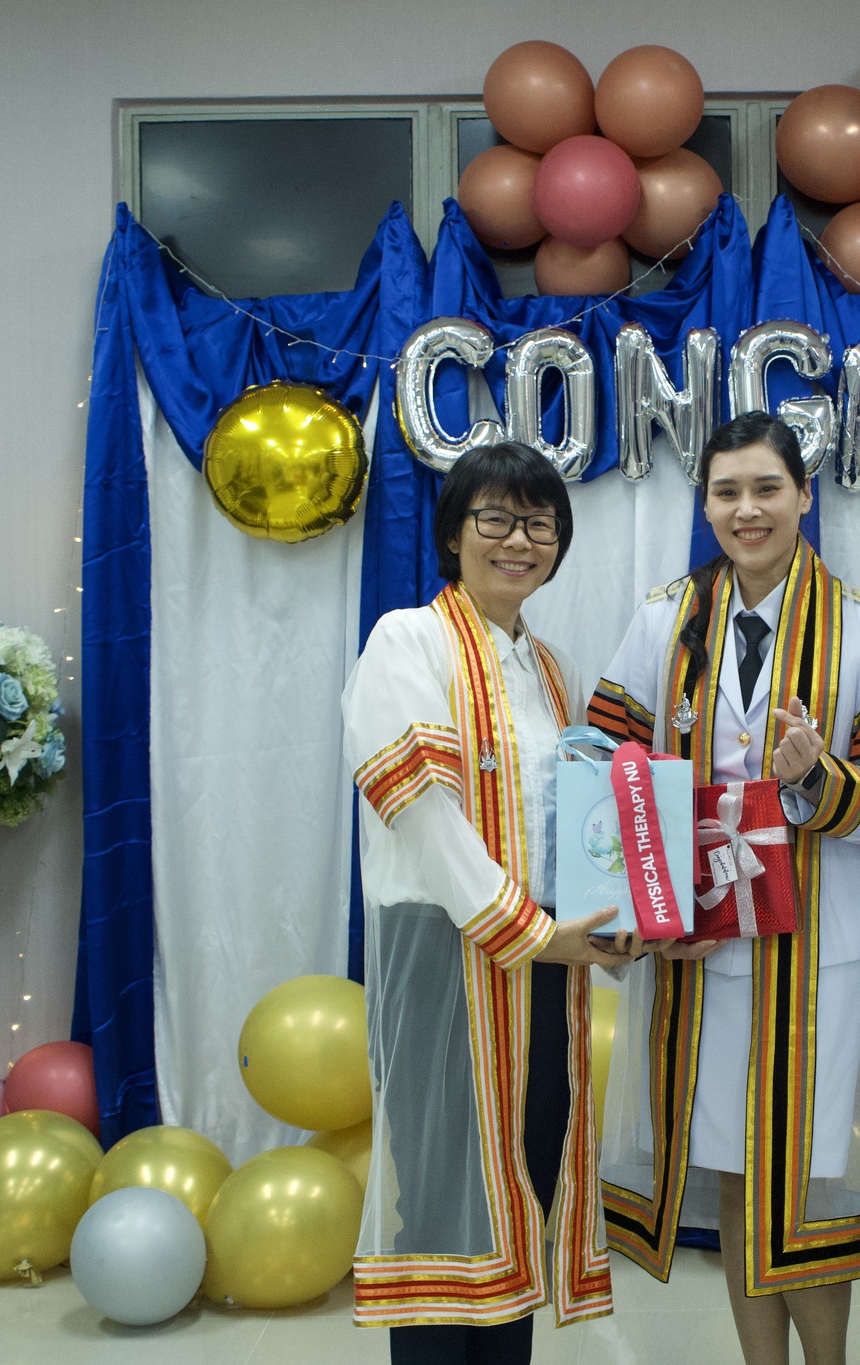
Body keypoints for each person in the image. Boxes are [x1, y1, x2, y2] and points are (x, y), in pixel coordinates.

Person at [588, 411, 860, 1365]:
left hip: (818, 949)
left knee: (804, 1182)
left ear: (805, 495)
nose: (747, 510)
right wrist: (640, 912)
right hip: (699, 951)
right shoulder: (665, 619)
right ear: (705, 506)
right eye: (727, 492)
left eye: (767, 488)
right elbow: (607, 768)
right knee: (737, 1170)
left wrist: (816, 778)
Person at [341, 441, 635, 1364]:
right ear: (452, 533)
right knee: (442, 1201)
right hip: (447, 956)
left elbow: (578, 820)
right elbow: (422, 812)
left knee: (523, 1180)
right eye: (496, 518)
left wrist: (618, 916)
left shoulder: (552, 668)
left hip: (548, 960)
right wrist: (530, 931)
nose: (519, 541)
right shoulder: (407, 641)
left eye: (540, 524)